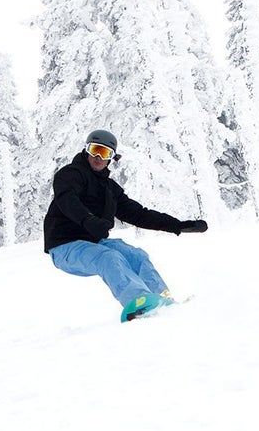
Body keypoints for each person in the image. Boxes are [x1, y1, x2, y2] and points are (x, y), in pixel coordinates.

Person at [43, 129, 208, 322]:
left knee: (136, 255)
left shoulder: (109, 189)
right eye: (95, 150)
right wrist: (88, 220)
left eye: (104, 153)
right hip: (65, 246)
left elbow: (139, 214)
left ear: (111, 158)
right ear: (86, 150)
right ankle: (138, 303)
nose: (98, 157)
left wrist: (176, 225)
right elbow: (67, 199)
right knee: (108, 257)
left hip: (93, 242)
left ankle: (163, 300)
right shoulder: (70, 174)